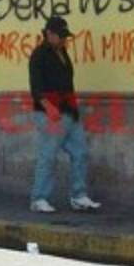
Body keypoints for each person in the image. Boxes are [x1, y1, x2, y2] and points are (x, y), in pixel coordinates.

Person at [27, 16, 101, 213]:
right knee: (48, 155)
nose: (63, 40)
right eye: (60, 36)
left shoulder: (63, 54)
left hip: (69, 112)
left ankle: (79, 196)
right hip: (50, 112)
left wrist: (73, 109)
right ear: (49, 34)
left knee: (80, 152)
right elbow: (36, 87)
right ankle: (39, 198)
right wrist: (49, 108)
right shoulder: (39, 55)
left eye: (65, 37)